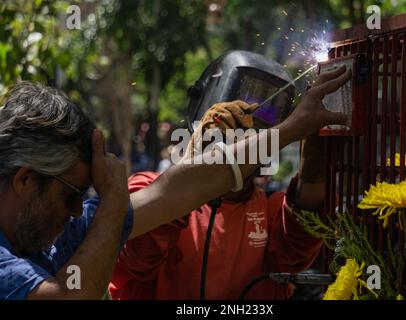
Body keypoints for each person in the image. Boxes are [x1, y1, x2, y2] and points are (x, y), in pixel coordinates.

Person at [0, 65, 350, 299]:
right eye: (71, 195)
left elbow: (177, 190)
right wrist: (112, 200)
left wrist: (293, 131)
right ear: (25, 180)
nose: (78, 210)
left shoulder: (55, 234)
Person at [108, 67, 350, 300]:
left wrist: (315, 146)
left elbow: (301, 239)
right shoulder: (145, 188)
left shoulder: (271, 210)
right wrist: (194, 162)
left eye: (251, 140)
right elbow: (137, 254)